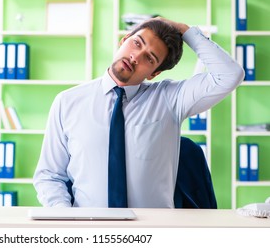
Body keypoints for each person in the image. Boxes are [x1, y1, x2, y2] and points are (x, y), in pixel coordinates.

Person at [33, 17, 244, 208]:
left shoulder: (170, 99)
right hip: (90, 229)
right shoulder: (68, 102)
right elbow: (50, 176)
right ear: (124, 39)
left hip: (154, 232)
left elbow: (229, 75)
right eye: (136, 43)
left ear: (155, 73)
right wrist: (66, 220)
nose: (135, 57)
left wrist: (184, 30)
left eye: (149, 58)